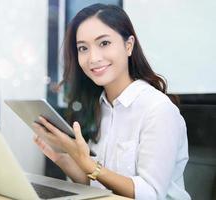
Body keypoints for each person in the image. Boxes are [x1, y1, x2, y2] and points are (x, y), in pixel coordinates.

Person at [32, 3, 190, 200]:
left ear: (128, 45)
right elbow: (100, 187)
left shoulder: (158, 110)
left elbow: (151, 194)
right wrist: (63, 158)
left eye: (104, 43)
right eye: (83, 48)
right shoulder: (99, 107)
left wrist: (88, 164)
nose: (93, 58)